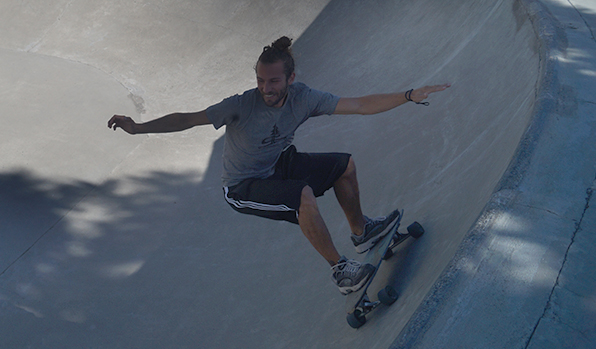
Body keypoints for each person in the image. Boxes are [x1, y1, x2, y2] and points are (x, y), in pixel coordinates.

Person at [107, 36, 450, 294]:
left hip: (279, 163)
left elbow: (359, 104)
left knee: (344, 166)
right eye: (260, 80)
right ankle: (341, 270)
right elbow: (188, 119)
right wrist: (139, 127)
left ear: (290, 77)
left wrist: (408, 95)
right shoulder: (241, 105)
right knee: (303, 196)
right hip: (243, 185)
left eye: (273, 81)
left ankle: (362, 232)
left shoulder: (305, 97)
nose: (265, 89)